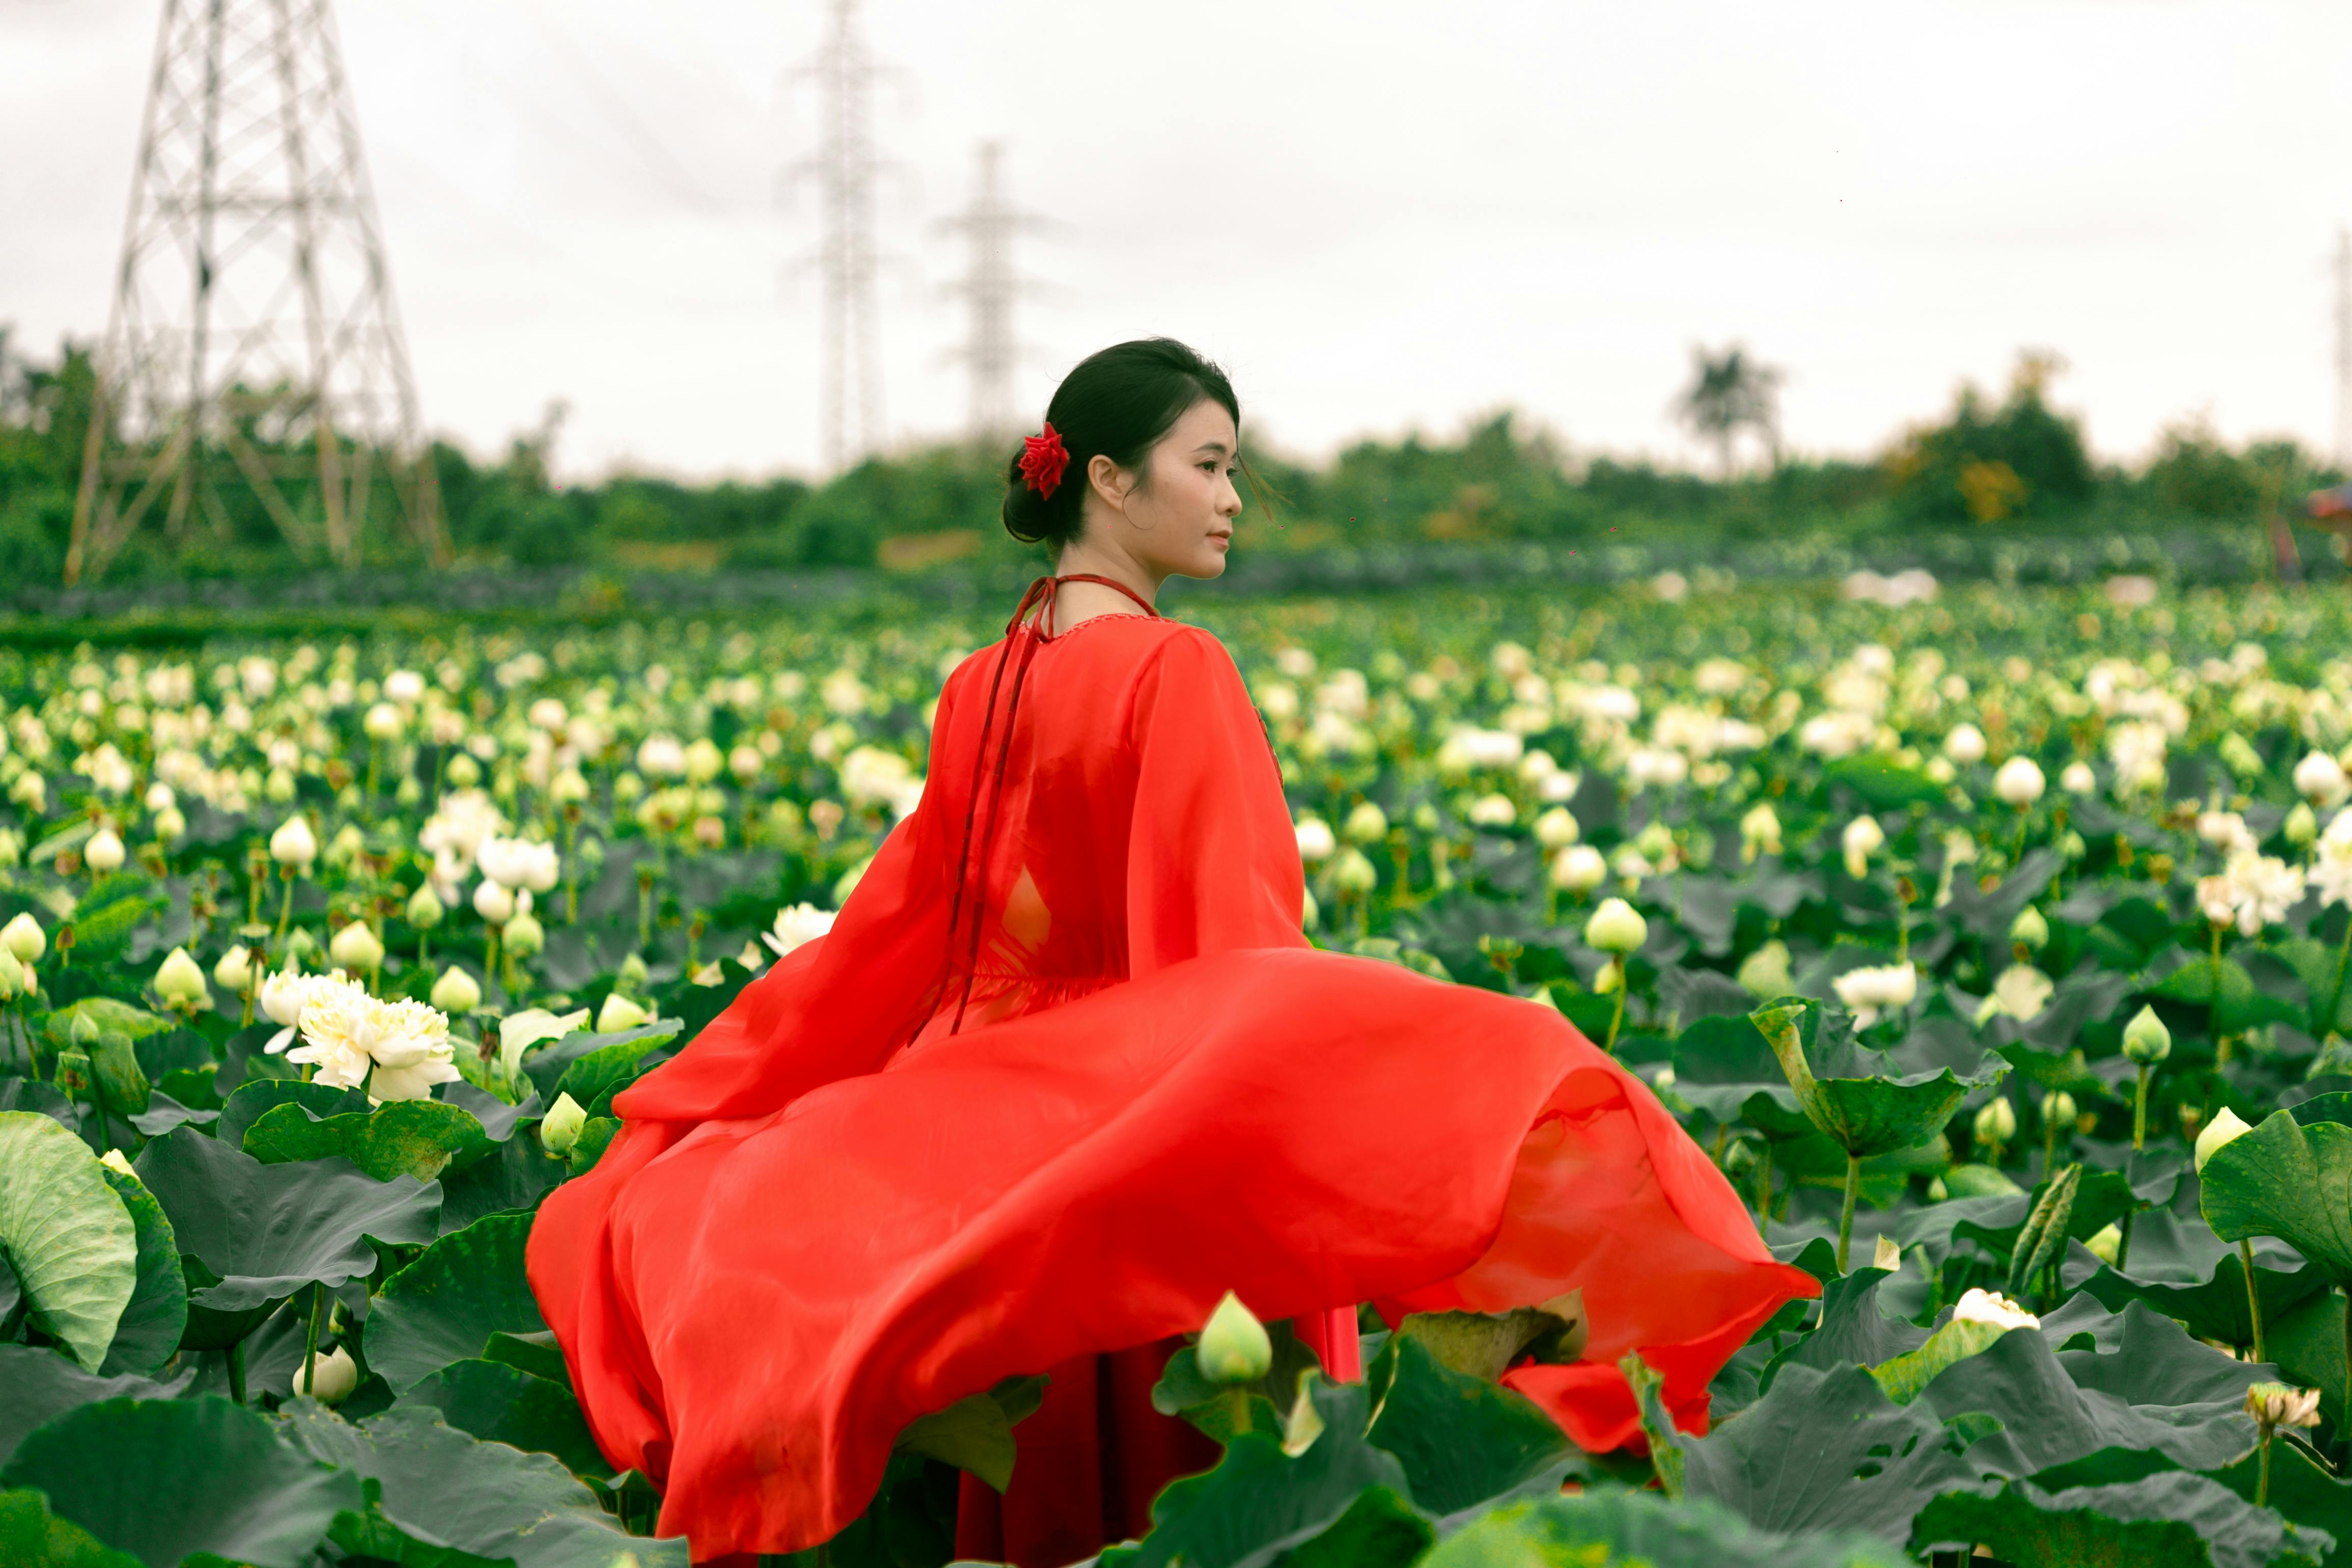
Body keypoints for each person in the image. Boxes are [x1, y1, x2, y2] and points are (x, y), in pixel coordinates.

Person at [527, 338, 1816, 1566]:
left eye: (1233, 468)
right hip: (1117, 1117)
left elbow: (895, 935)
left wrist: (710, 1087)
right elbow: (1232, 959)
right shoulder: (1174, 670)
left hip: (969, 1117)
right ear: (1104, 477)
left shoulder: (982, 679)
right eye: (1206, 464)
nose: (1231, 498)